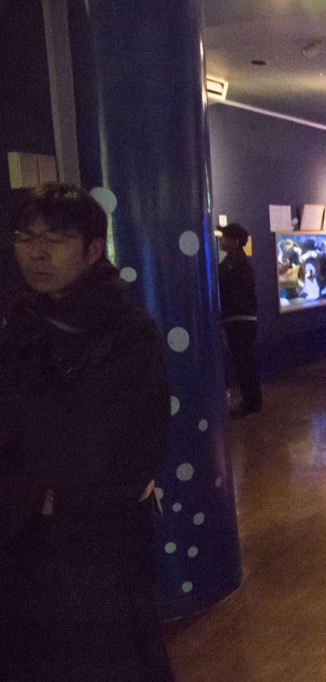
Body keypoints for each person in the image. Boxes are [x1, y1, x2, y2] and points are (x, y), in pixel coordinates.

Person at [0, 183, 174, 679]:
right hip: (25, 538)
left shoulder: (127, 333)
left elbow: (120, 448)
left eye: (54, 238)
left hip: (99, 549)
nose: (36, 252)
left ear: (93, 249)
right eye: (24, 237)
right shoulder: (20, 323)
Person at [218, 222, 262, 417]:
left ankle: (252, 402)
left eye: (225, 236)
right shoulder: (232, 262)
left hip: (241, 320)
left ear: (235, 241)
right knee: (243, 361)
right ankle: (251, 400)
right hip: (238, 318)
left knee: (244, 361)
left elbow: (239, 292)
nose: (221, 239)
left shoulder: (239, 265)